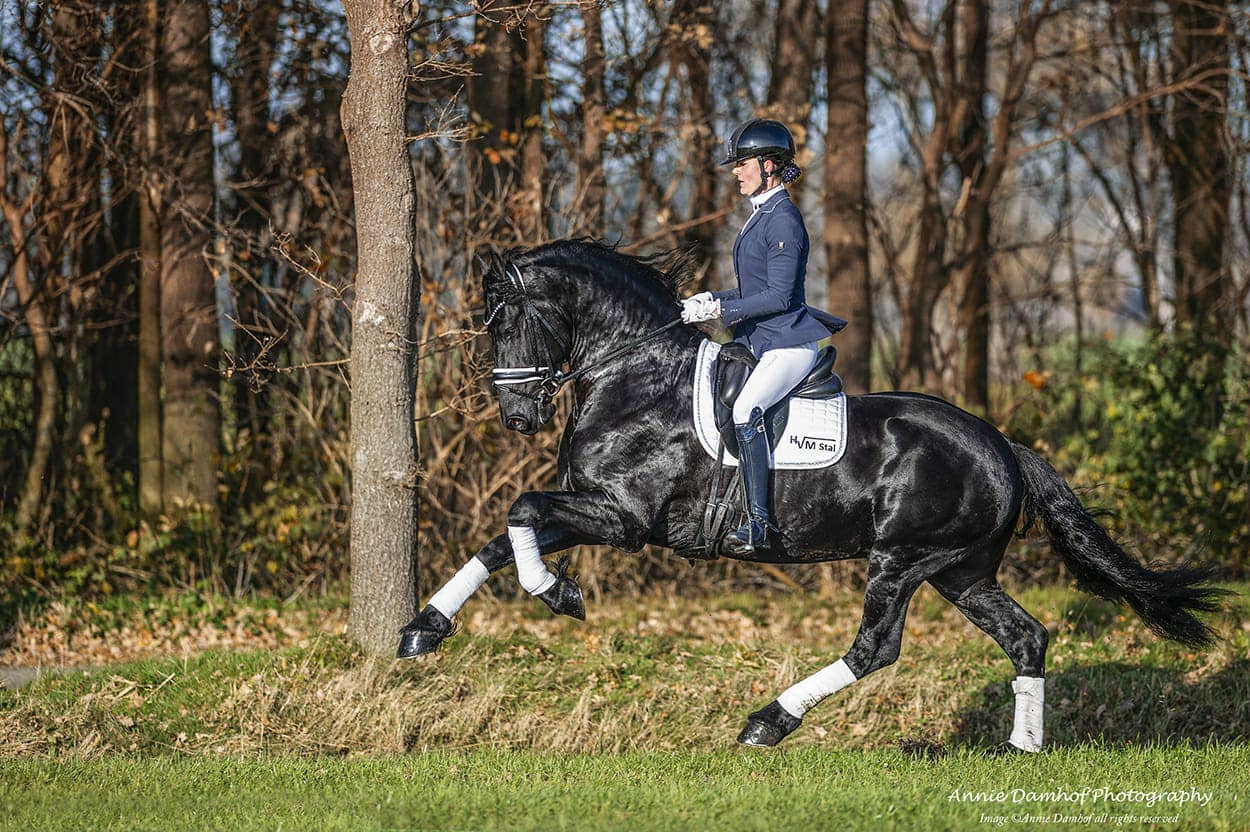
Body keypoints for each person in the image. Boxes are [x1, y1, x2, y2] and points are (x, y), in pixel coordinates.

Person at [680, 118, 845, 556]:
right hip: (765, 341)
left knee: (745, 413)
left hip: (788, 344)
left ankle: (759, 525)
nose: (736, 171)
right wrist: (711, 298)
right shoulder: (762, 215)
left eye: (743, 163)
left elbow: (778, 296)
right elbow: (754, 291)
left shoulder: (784, 220)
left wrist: (723, 310)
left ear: (769, 166)